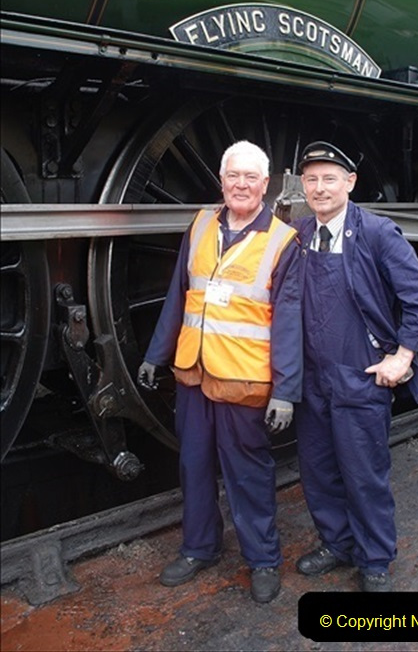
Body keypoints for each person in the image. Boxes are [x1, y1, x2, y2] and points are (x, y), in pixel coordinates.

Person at [137, 140, 302, 603]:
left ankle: (263, 559)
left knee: (247, 471)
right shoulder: (202, 224)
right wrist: (155, 354)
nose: (241, 185)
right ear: (221, 179)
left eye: (250, 177)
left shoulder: (282, 242)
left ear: (266, 185)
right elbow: (179, 294)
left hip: (243, 380)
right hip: (193, 372)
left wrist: (285, 390)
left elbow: (289, 322)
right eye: (233, 176)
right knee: (193, 465)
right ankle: (199, 548)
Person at [292, 141, 418, 592]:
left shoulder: (377, 233)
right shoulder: (297, 234)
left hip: (360, 374)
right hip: (312, 377)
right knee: (318, 470)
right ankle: (336, 543)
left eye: (330, 179)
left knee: (363, 474)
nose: (320, 188)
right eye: (312, 180)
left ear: (350, 183)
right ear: (303, 185)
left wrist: (403, 357)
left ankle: (375, 558)